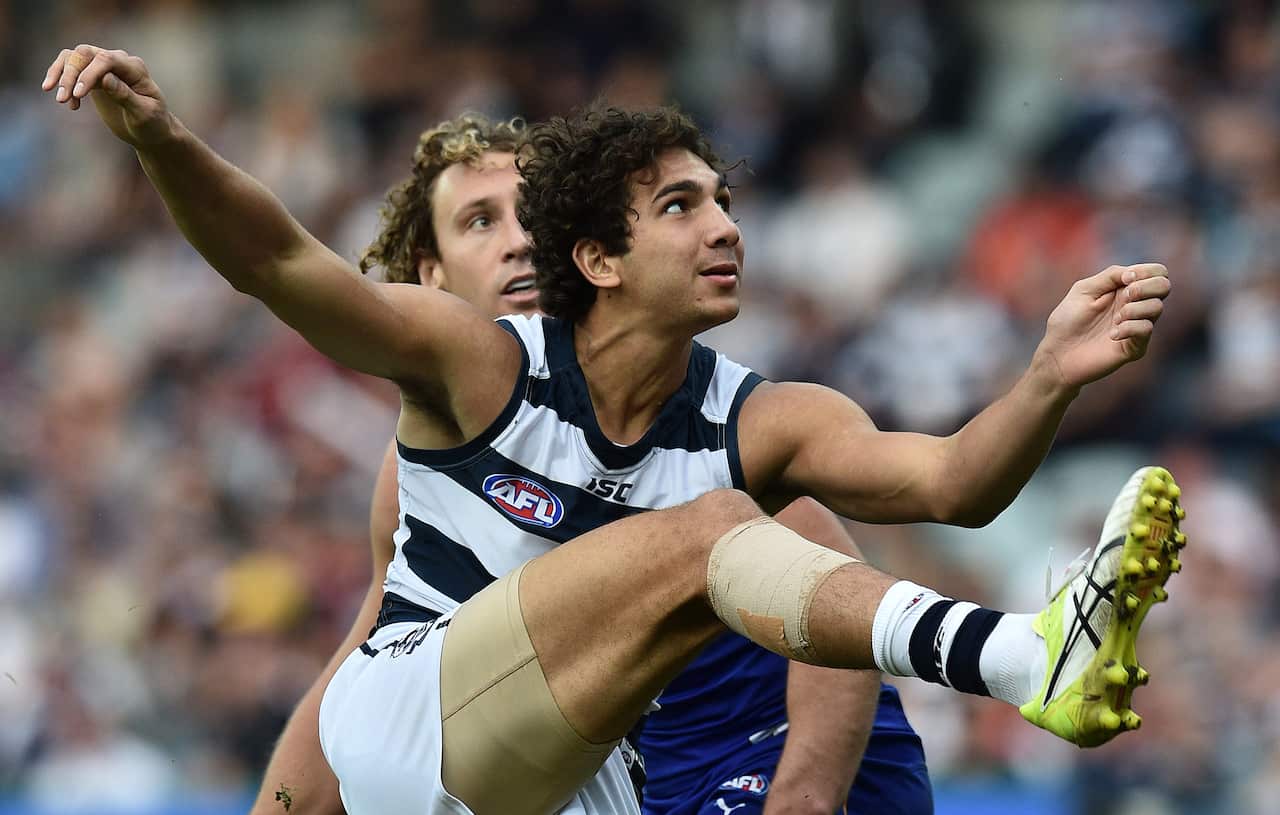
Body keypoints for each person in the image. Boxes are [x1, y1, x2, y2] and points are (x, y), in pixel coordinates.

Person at [45, 45, 1186, 815]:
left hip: (579, 778)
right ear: (594, 257)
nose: (724, 226)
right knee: (711, 529)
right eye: (681, 206)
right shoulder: (476, 365)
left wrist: (1045, 379)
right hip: (415, 725)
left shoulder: (759, 413)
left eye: (724, 201)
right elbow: (277, 260)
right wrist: (163, 141)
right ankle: (1025, 653)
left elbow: (949, 482)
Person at [246, 112, 930, 815]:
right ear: (431, 276)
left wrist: (804, 793)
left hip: (785, 754)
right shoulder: (422, 467)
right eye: (481, 222)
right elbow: (370, 663)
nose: (519, 241)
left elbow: (840, 583)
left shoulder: (669, 399)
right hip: (642, 780)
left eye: (530, 213)